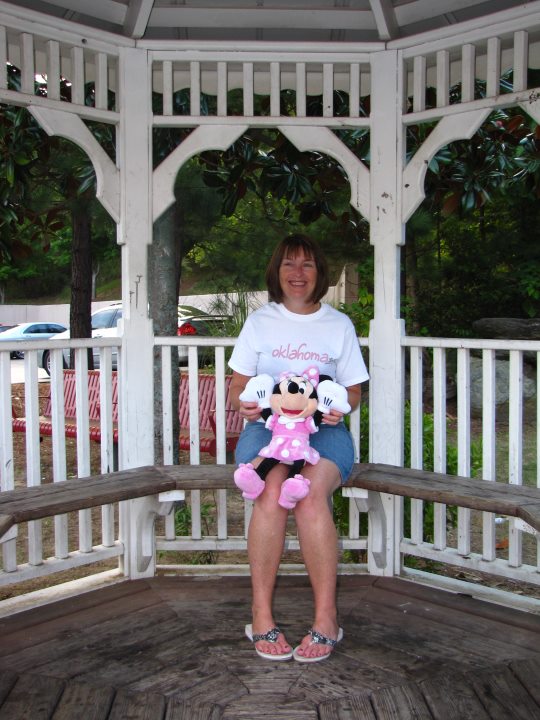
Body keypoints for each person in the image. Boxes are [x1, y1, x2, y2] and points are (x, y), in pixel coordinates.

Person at [228, 233, 369, 663]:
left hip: (323, 434)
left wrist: (340, 408)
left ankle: (327, 617)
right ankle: (261, 614)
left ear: (319, 273)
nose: (298, 273)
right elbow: (237, 386)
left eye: (307, 264)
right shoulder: (259, 322)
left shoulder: (338, 325)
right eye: (289, 263)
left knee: (308, 495)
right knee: (271, 493)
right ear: (277, 271)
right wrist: (246, 404)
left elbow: (354, 391)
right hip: (267, 431)